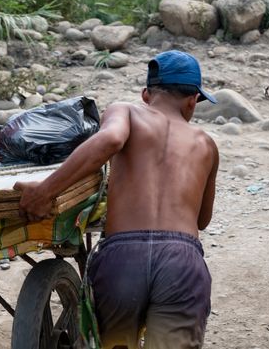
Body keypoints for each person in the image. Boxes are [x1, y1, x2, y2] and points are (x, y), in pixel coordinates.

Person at [15, 50, 220, 349]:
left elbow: (111, 139)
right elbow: (202, 220)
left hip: (123, 260)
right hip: (182, 263)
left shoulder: (127, 111)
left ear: (146, 95)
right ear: (193, 101)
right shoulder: (206, 144)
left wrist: (45, 191)